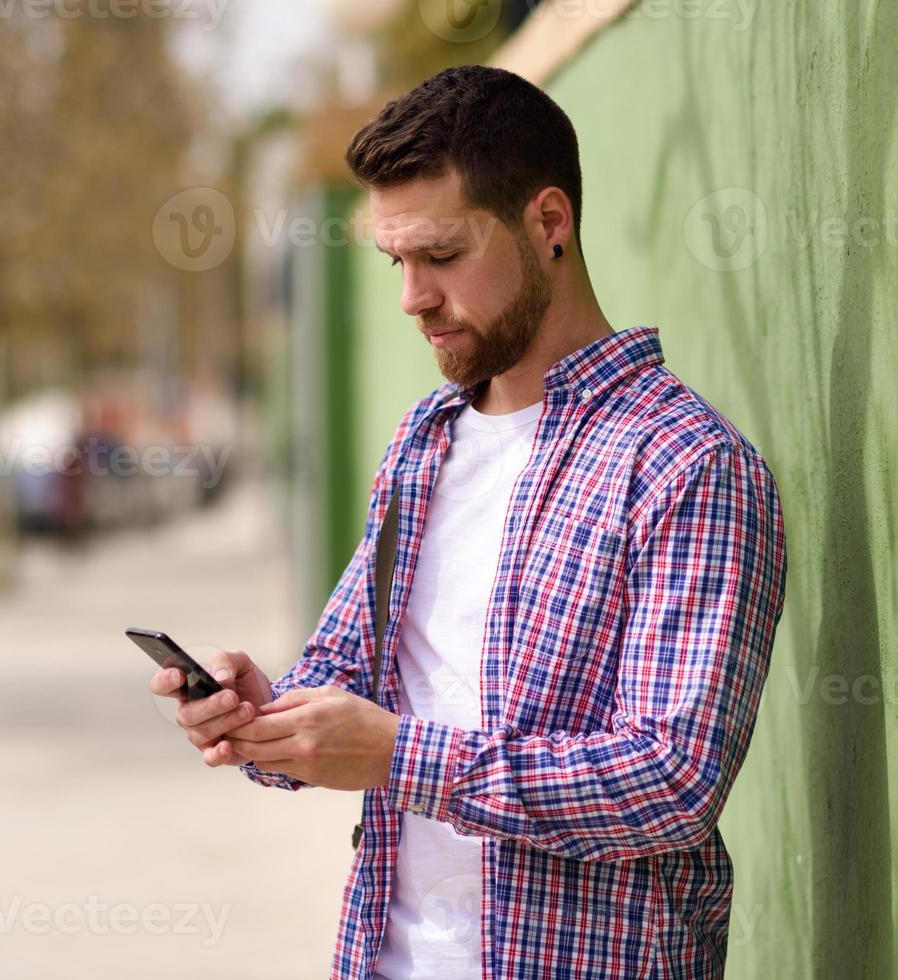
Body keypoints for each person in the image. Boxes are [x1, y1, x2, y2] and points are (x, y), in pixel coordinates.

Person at [152, 65, 786, 979]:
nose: (411, 295)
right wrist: (264, 717)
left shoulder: (685, 463)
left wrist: (401, 758)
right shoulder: (425, 443)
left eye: (441, 257)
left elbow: (671, 782)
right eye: (396, 261)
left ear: (549, 223)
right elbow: (348, 673)